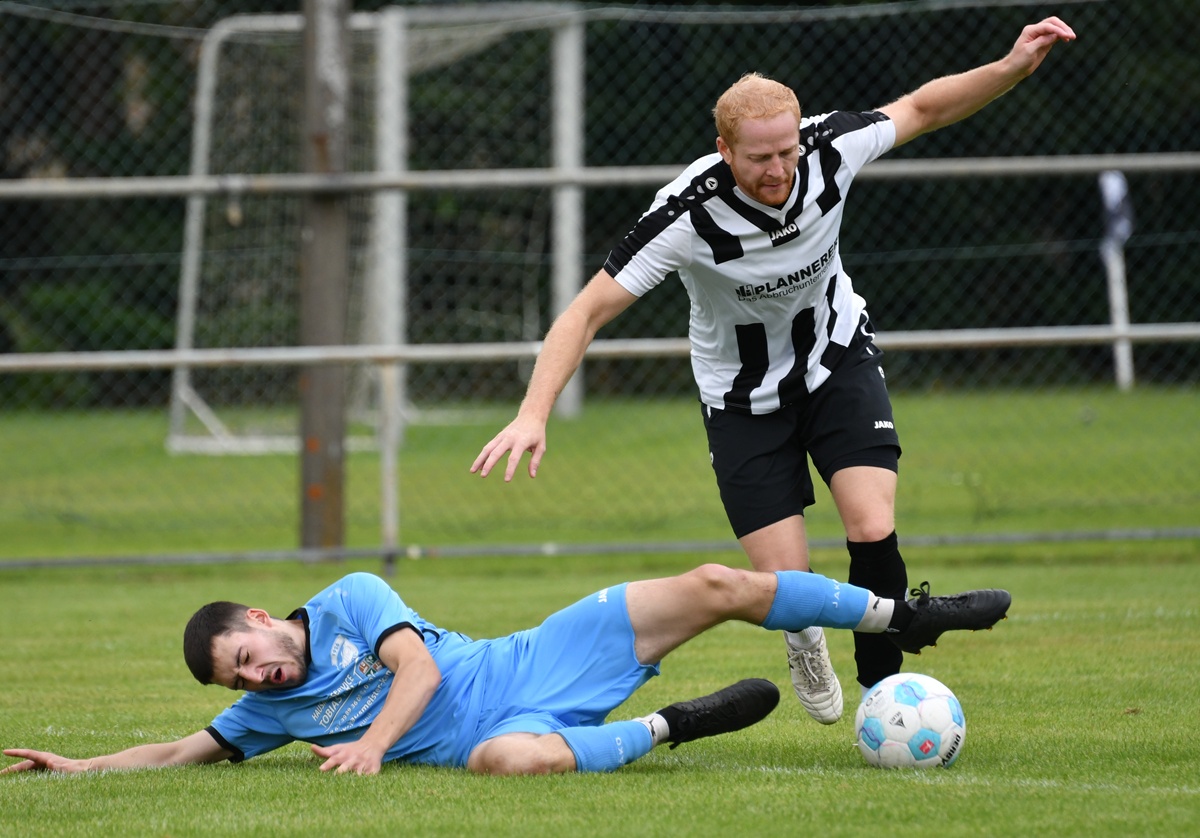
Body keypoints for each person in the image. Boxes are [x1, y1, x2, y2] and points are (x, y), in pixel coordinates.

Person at [470, 17, 1075, 724]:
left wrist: (1010, 66)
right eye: (758, 158)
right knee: (788, 583)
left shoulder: (829, 147)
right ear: (723, 149)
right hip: (741, 400)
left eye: (785, 151)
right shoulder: (687, 215)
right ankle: (804, 634)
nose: (778, 170)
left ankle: (883, 693)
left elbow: (924, 106)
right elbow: (585, 312)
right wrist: (533, 411)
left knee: (873, 527)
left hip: (836, 358)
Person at [2, 565, 1010, 777]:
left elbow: (418, 676)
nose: (256, 680)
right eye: (241, 683)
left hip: (539, 653)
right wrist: (83, 769)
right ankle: (681, 723)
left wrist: (371, 749)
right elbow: (183, 749)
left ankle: (906, 617)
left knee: (716, 581)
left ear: (261, 616)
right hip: (512, 727)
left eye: (247, 656)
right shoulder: (272, 718)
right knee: (501, 765)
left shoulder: (351, 596)